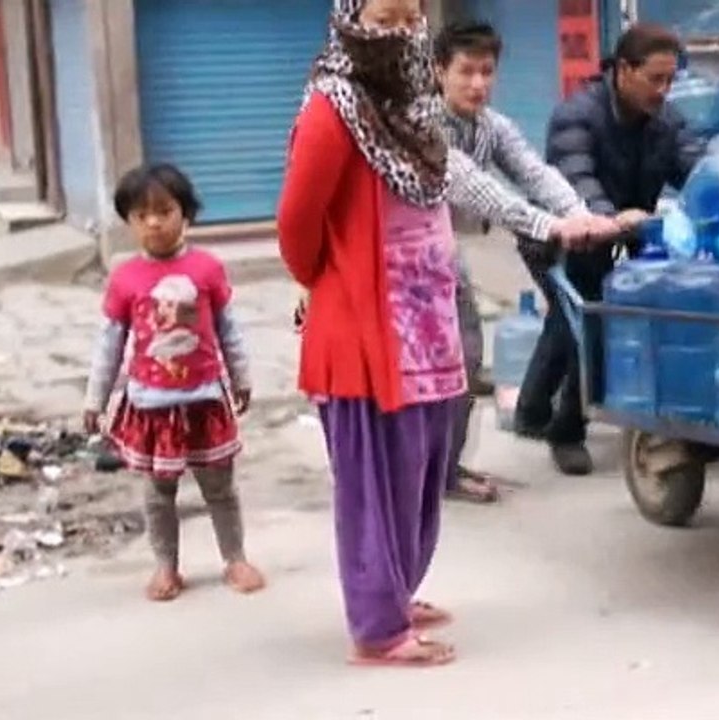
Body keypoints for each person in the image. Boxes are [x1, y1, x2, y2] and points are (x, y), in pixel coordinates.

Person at [276, 0, 469, 667]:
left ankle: (396, 592)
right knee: (373, 483)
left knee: (417, 468)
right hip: (364, 330)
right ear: (353, 17)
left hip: (424, 327)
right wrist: (327, 284)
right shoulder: (333, 108)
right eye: (386, 12)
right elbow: (297, 225)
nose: (402, 25)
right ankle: (377, 627)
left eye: (410, 12)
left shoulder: (414, 106)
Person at [433, 20, 622, 503]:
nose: (478, 84)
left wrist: (582, 216)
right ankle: (406, 474)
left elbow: (536, 174)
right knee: (416, 372)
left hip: (441, 254)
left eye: (487, 71)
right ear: (438, 72)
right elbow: (479, 190)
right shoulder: (424, 124)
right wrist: (552, 227)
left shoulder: (492, 126)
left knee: (466, 361)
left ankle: (445, 471)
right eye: (465, 72)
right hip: (391, 261)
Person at [515, 23, 705, 476]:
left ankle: (531, 410)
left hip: (622, 231)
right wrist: (603, 217)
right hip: (559, 232)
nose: (663, 91)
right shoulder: (577, 115)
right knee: (589, 319)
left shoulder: (666, 121)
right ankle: (566, 431)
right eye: (655, 79)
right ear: (623, 70)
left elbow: (695, 168)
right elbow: (575, 178)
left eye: (670, 81)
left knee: (569, 319)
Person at [82, 163, 266, 602]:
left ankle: (235, 558)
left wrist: (241, 378)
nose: (154, 222)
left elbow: (228, 330)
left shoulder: (207, 269)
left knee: (219, 488)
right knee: (159, 493)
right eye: (141, 215)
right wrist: (96, 399)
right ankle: (166, 566)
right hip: (150, 406)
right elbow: (109, 344)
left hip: (205, 400)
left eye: (164, 211)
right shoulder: (125, 278)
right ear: (128, 222)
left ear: (186, 213)